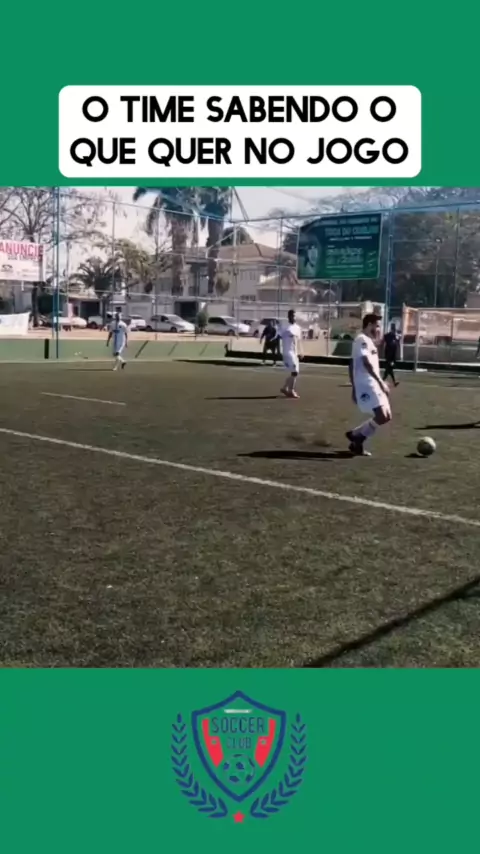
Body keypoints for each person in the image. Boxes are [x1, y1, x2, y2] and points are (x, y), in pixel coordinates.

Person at [346, 312, 391, 456]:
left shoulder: (369, 341)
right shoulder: (362, 339)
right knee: (382, 415)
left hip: (373, 383)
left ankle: (355, 434)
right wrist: (380, 382)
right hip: (367, 384)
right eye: (377, 326)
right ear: (369, 325)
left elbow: (352, 364)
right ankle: (358, 440)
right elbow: (365, 363)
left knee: (387, 416)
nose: (378, 329)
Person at [280, 309, 303, 399]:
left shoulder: (297, 328)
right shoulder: (285, 327)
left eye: (294, 315)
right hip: (288, 352)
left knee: (294, 373)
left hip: (294, 353)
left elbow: (298, 340)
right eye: (292, 315)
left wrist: (301, 351)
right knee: (295, 372)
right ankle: (291, 390)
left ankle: (285, 388)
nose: (293, 317)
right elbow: (279, 337)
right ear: (288, 317)